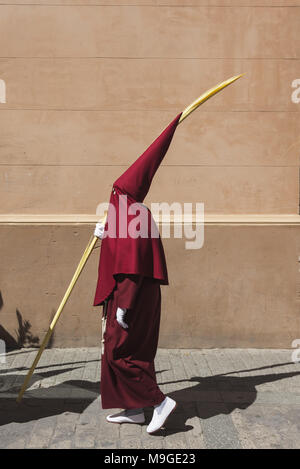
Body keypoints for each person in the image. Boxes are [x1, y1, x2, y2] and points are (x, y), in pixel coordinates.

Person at [93, 114, 181, 434]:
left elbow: (130, 268)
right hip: (138, 298)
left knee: (119, 351)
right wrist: (106, 236)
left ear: (123, 193)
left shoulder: (130, 214)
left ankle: (158, 402)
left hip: (131, 299)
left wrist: (122, 307)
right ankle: (134, 409)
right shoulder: (134, 214)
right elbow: (124, 251)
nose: (112, 198)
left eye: (116, 193)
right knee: (130, 351)